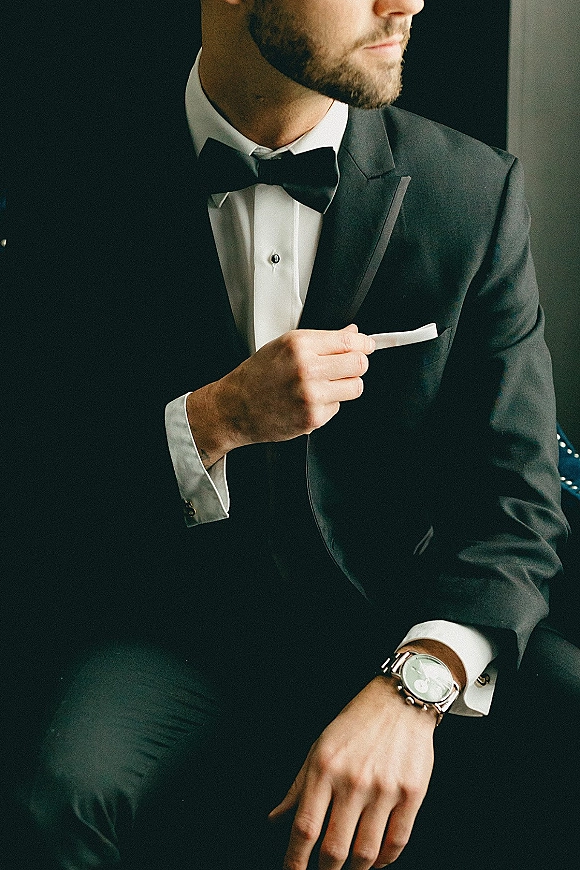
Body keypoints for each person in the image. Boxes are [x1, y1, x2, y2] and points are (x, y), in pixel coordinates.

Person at [3, 1, 571, 869]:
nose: (406, 2)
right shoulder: (74, 177)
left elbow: (519, 501)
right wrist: (214, 418)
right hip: (163, 628)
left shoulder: (473, 192)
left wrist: (416, 684)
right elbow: (38, 470)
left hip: (398, 615)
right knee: (57, 793)